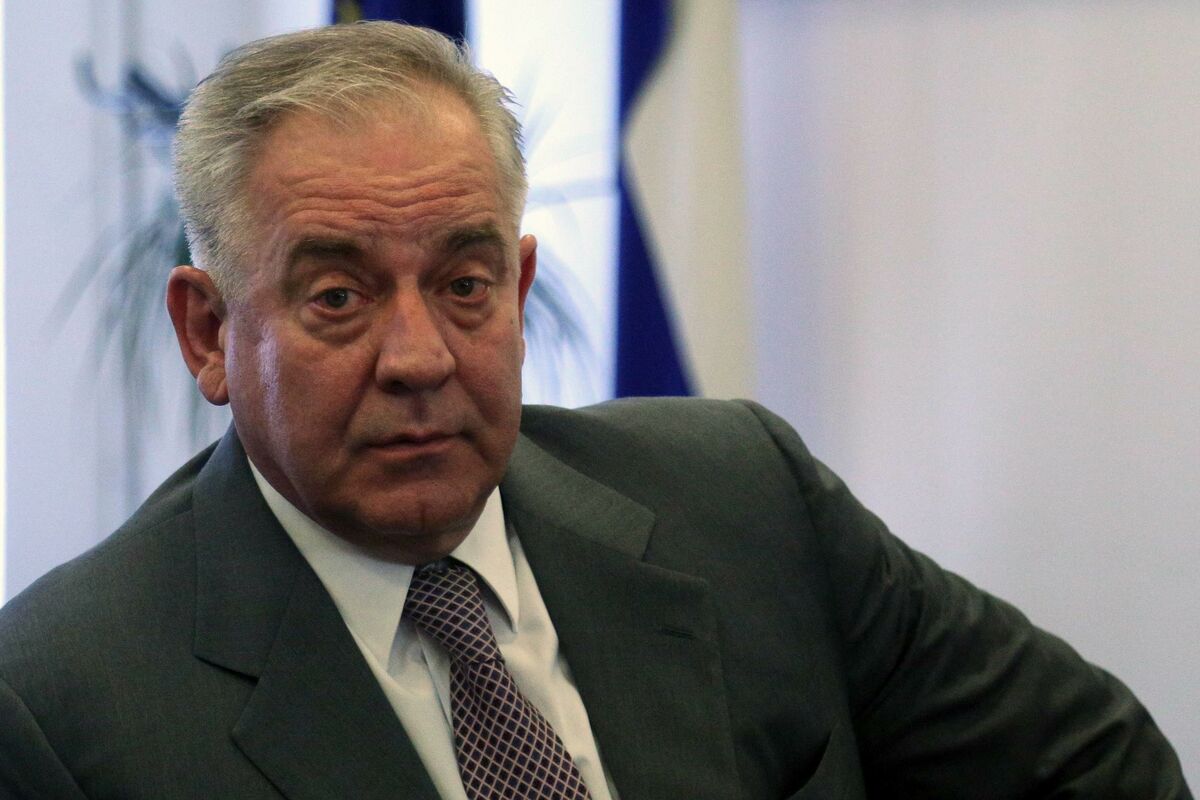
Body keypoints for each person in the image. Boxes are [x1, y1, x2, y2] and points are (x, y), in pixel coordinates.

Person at [0, 21, 1190, 800]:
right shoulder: (65, 704)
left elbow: (1097, 767)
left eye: (465, 284)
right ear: (209, 332)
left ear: (518, 291)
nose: (419, 355)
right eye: (339, 297)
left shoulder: (744, 498)